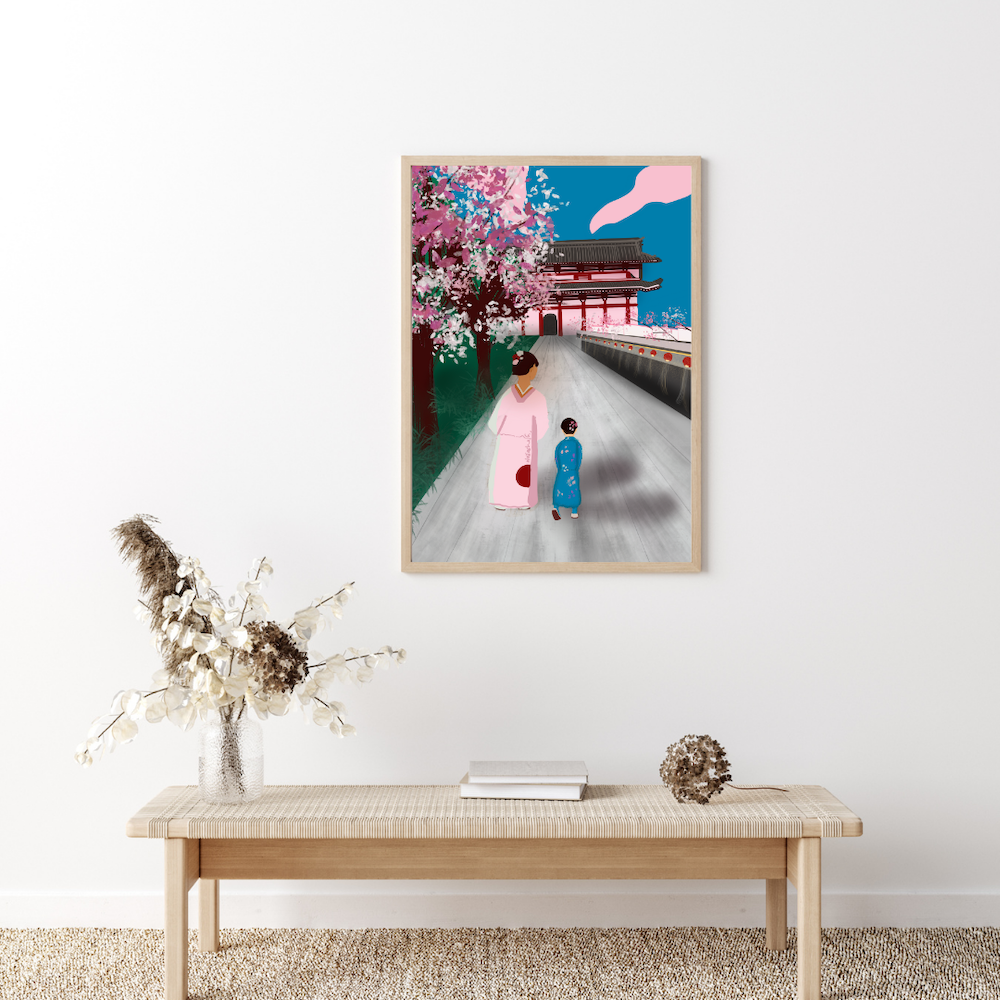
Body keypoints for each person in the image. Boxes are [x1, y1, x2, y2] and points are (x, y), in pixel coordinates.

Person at [486, 350, 549, 510]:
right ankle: (522, 501)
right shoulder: (538, 398)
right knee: (523, 472)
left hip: (506, 441)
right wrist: (532, 436)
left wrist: (504, 433)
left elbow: (494, 421)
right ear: (530, 369)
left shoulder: (507, 395)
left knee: (504, 469)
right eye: (535, 367)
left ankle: (501, 500)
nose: (536, 371)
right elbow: (543, 425)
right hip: (526, 441)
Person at [551, 417, 582, 520]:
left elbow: (556, 458)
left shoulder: (560, 444)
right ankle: (574, 511)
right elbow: (579, 458)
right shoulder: (577, 444)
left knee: (559, 488)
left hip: (561, 471)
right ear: (575, 430)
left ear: (562, 430)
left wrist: (560, 469)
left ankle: (556, 507)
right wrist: (575, 469)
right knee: (574, 489)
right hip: (573, 471)